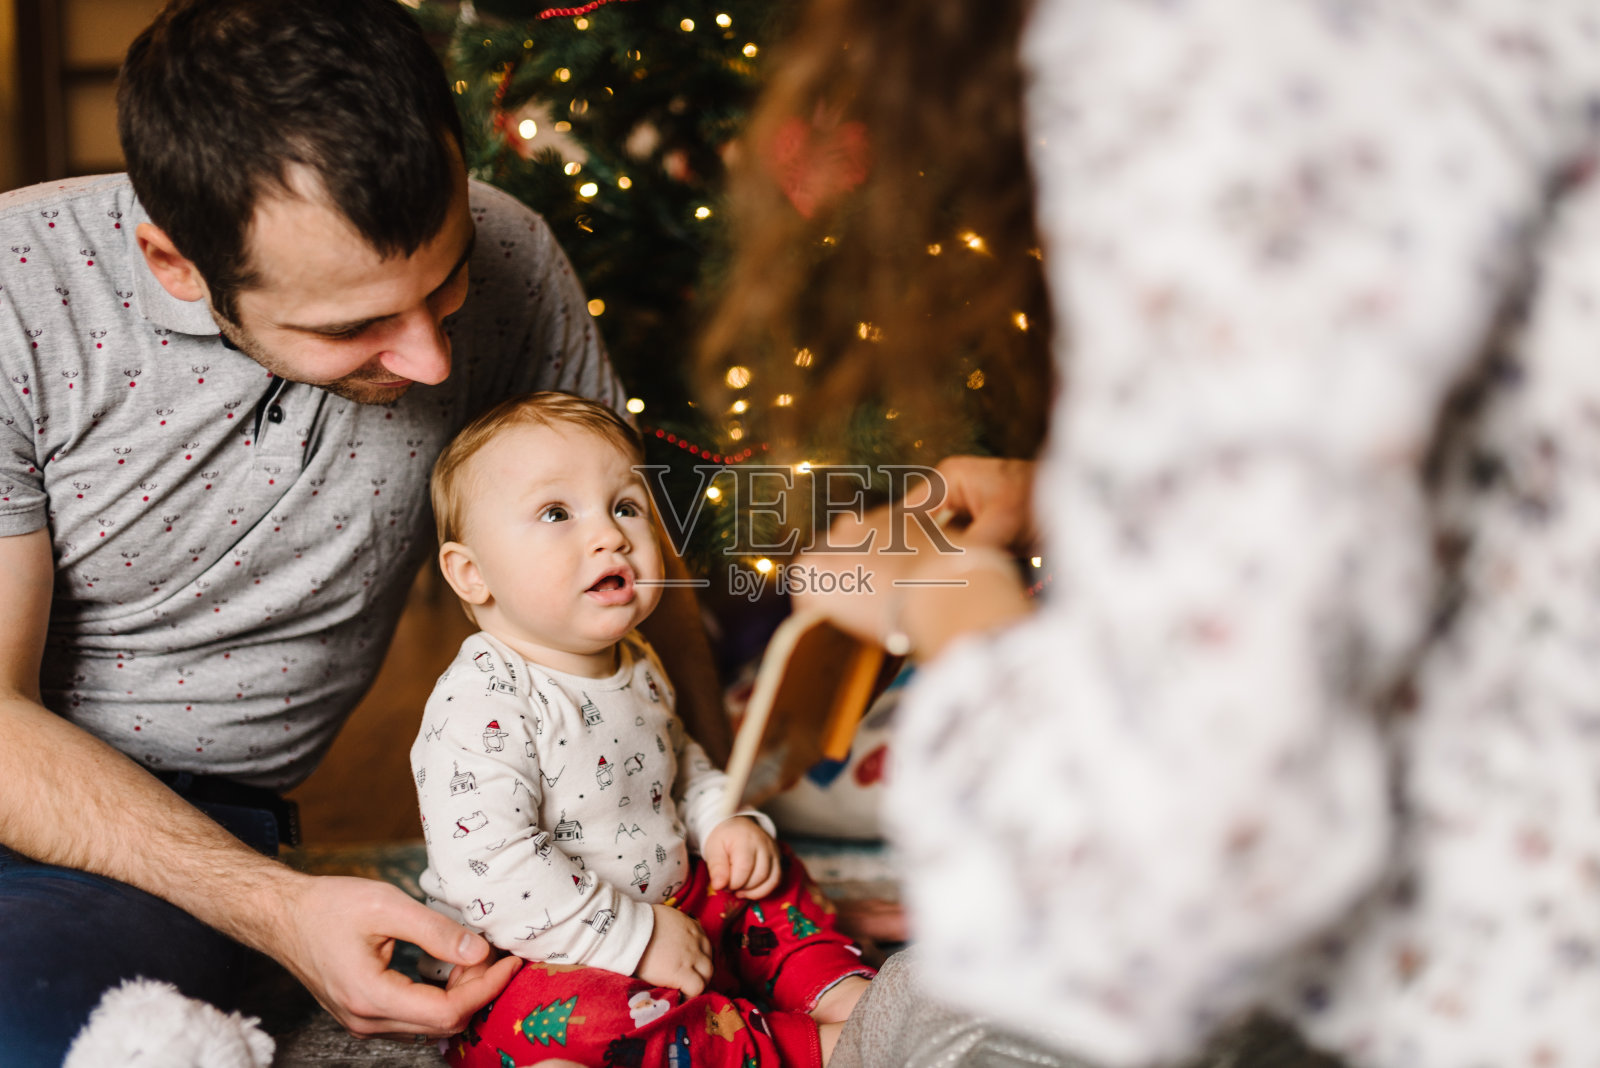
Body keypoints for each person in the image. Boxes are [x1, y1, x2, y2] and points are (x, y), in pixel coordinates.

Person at [706, 0, 1600, 1066]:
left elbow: (1152, 855)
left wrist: (930, 590)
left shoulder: (1220, 53)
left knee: (935, 1026)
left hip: (1486, 978)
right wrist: (1056, 498)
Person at [0, 0, 727, 1058]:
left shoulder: (518, 255)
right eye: (355, 327)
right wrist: (273, 910)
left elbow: (618, 563)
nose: (435, 361)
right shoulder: (18, 294)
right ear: (176, 266)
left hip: (184, 829)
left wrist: (717, 816)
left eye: (447, 281)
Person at [412, 391, 873, 1068]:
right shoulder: (483, 700)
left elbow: (678, 764)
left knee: (762, 876)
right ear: (471, 573)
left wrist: (721, 822)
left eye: (626, 506)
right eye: (556, 513)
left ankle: (835, 990)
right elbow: (497, 869)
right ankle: (800, 1048)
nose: (611, 535)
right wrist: (633, 938)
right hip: (546, 950)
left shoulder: (636, 659)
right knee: (586, 1023)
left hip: (677, 898)